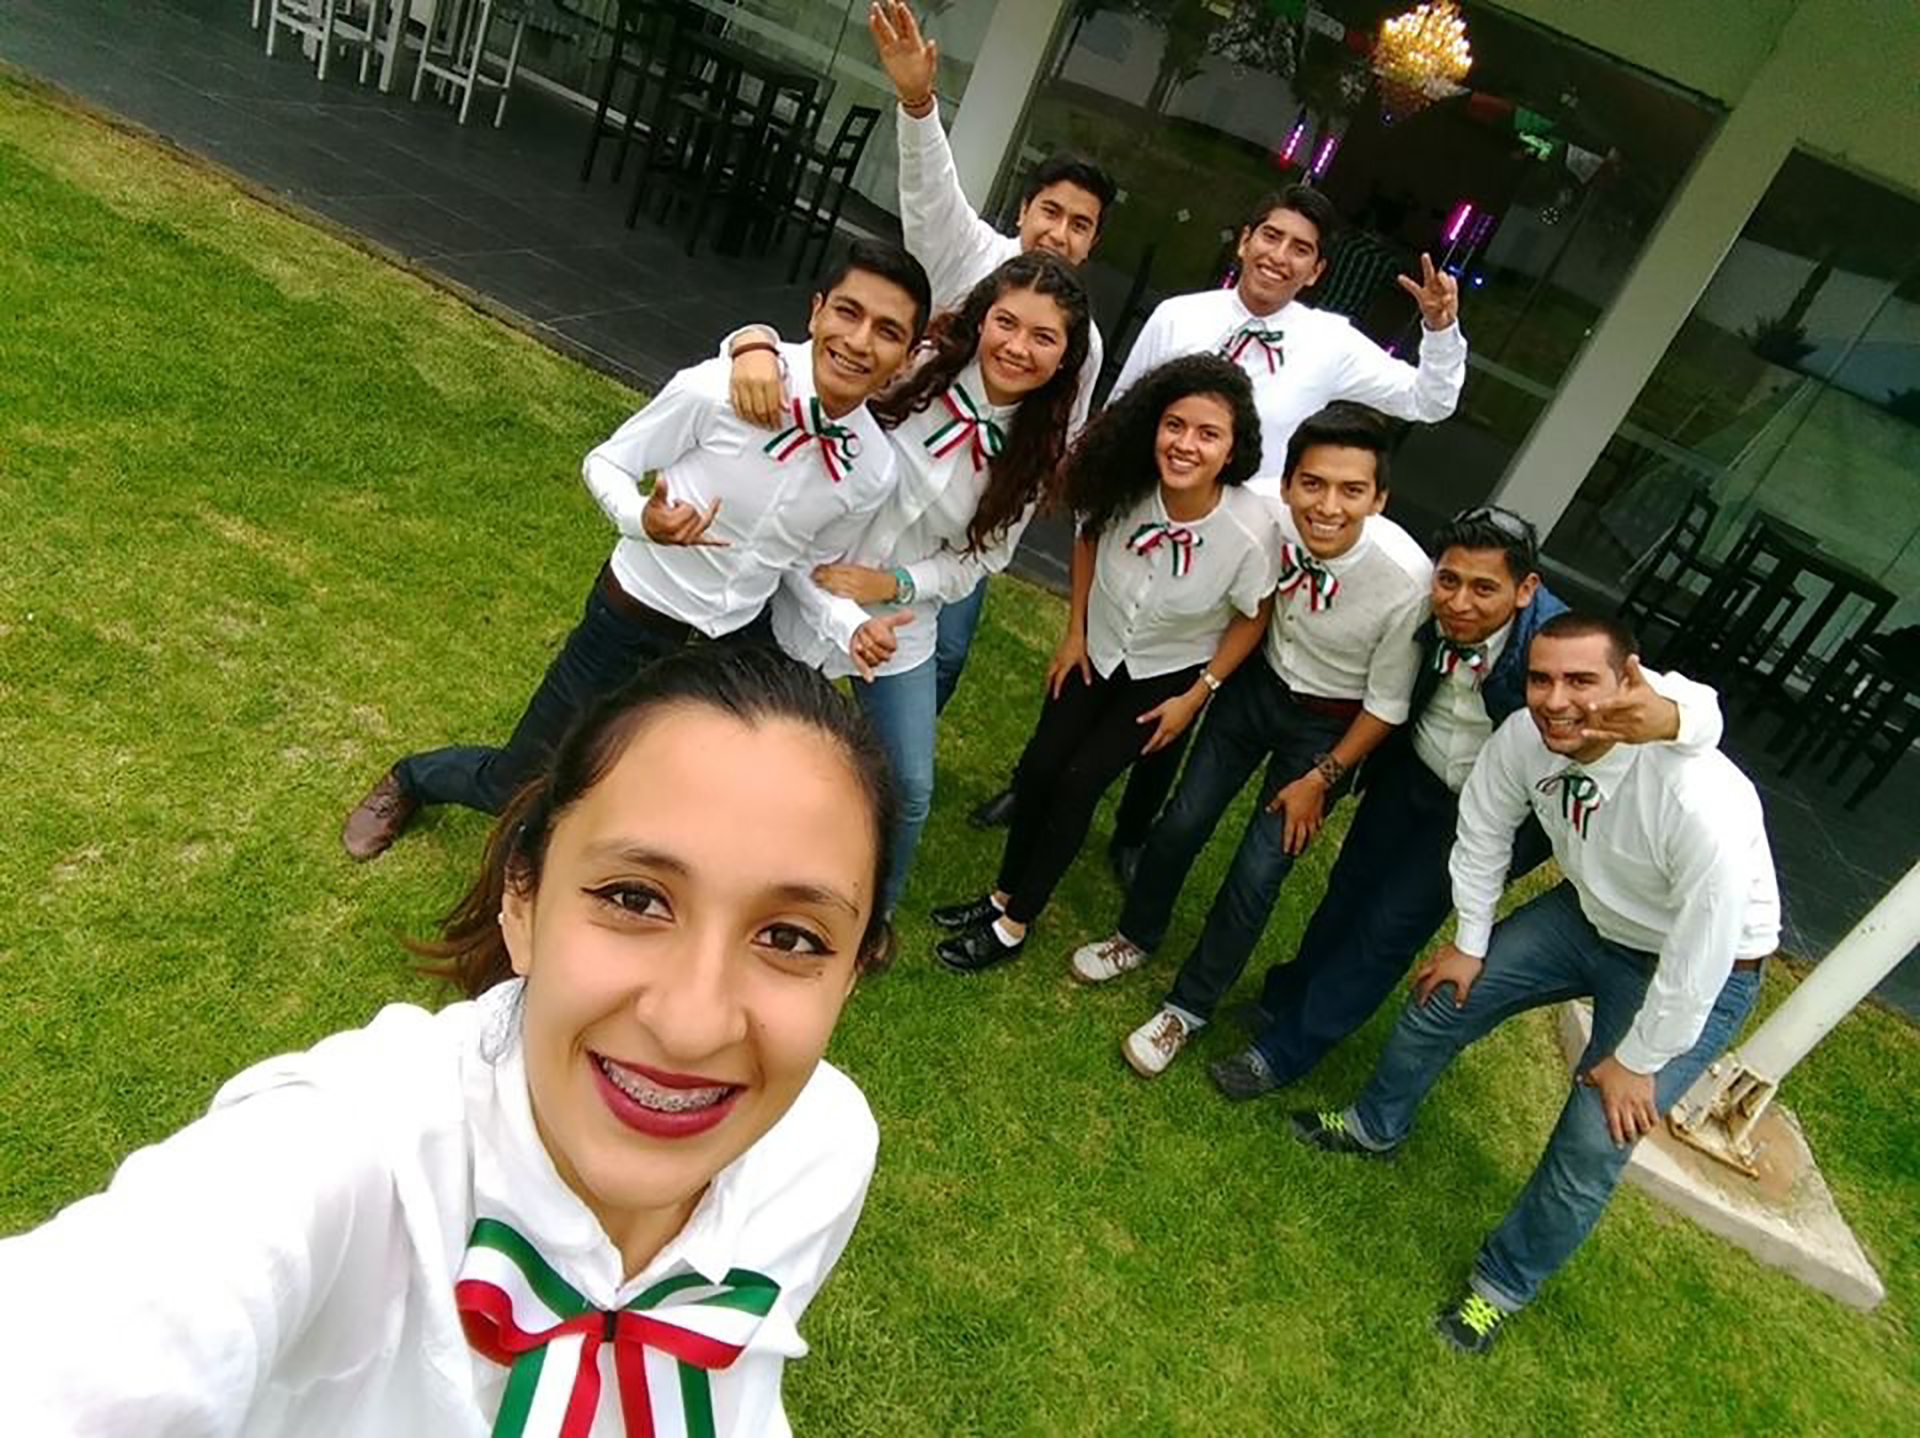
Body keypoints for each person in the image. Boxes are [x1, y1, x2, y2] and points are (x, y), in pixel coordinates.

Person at [0, 645, 897, 1432]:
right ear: (522, 901)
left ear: (851, 974)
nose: (693, 1023)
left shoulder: (819, 1149)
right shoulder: (346, 1160)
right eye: (634, 898)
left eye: (792, 939)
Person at [340, 240, 931, 861]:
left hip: (728, 644)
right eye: (848, 312)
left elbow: (803, 566)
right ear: (815, 311)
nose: (859, 341)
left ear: (908, 355)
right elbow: (606, 462)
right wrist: (642, 518)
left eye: (887, 331)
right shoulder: (718, 390)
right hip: (633, 616)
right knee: (522, 780)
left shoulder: (872, 469)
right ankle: (411, 778)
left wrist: (848, 624)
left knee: (662, 783)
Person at [1292, 613, 1778, 1354]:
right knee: (1441, 997)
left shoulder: (1693, 795)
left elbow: (1702, 947)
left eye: (1581, 681)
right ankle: (1373, 1127)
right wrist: (1470, 943)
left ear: (1629, 681)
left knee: (1595, 1133)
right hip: (1589, 916)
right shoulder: (1526, 736)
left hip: (1695, 964)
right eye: (1541, 679)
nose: (1555, 700)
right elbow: (1484, 827)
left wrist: (1640, 1059)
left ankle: (1500, 1285)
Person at [970, 182, 1465, 858]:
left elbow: (1429, 401)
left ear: (1316, 270)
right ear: (1245, 240)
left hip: (1240, 553)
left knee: (1184, 687)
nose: (1280, 256)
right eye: (1271, 236)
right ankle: (1032, 784)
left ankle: (1133, 832)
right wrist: (1097, 502)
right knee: (1091, 664)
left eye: (1301, 249)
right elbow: (1121, 408)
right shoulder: (1179, 316)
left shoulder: (1331, 342)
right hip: (1149, 525)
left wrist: (1439, 331)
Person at [1204, 507, 1722, 1102]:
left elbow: (1697, 708)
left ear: (1526, 589)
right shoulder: (1425, 607)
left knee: (1389, 925)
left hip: (1487, 811)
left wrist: (1672, 715)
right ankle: (1284, 997)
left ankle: (1283, 1052)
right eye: (1448, 581)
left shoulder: (1559, 646)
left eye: (1484, 588)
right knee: (1348, 888)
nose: (1459, 603)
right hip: (1412, 771)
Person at [732, 1, 1117, 720]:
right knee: (768, 639)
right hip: (866, 482)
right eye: (1051, 211)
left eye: (1080, 225)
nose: (1059, 233)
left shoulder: (1083, 343)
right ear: (1024, 209)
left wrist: (1001, 501)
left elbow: (1055, 436)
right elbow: (930, 189)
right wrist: (917, 102)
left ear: (1093, 242)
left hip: (960, 519)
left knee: (943, 651)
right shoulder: (968, 254)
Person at [1069, 403, 1431, 1080]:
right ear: (1287, 483)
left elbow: (1387, 705)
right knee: (1181, 821)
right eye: (1312, 484)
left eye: (1352, 490)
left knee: (1259, 871)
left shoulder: (1408, 582)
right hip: (1255, 686)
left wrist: (1322, 778)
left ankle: (1188, 1008)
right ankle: (1135, 935)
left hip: (1330, 724)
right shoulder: (1262, 510)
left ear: (1379, 499)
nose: (1327, 507)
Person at [762, 252, 1091, 922]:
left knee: (909, 786)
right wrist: (749, 344)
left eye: (1043, 337)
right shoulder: (916, 366)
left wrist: (894, 582)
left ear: (1065, 359)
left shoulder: (1035, 451)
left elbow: (979, 560)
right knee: (766, 740)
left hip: (902, 618)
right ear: (983, 318)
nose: (1018, 347)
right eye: (1007, 323)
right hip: (808, 579)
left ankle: (869, 919)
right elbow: (814, 364)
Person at [928, 354, 1277, 972]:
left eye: (1208, 434)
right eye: (1175, 425)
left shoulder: (1251, 532)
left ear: (1233, 448)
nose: (1185, 444)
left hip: (1167, 674)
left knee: (1078, 783)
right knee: (1040, 767)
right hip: (1099, 645)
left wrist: (1197, 694)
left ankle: (1014, 923)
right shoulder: (1125, 480)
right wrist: (1074, 631)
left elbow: (1254, 614)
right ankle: (1001, 893)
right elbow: (1087, 537)